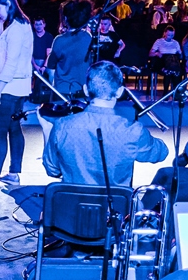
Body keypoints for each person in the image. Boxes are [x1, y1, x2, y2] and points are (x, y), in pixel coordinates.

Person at [42, 61, 170, 188]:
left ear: (86, 90)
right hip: (116, 201)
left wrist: (47, 129)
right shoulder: (133, 130)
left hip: (73, 201)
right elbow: (160, 153)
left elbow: (52, 170)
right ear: (120, 91)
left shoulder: (63, 125)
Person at [0, 0, 34, 187]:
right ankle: (13, 174)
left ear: (8, 4)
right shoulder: (22, 25)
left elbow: (10, 63)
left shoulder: (15, 30)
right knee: (14, 129)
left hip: (8, 89)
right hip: (20, 88)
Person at [43, 0, 96, 101]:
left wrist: (53, 85)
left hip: (62, 91)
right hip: (83, 90)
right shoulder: (88, 37)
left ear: (66, 18)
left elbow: (50, 69)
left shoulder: (59, 40)